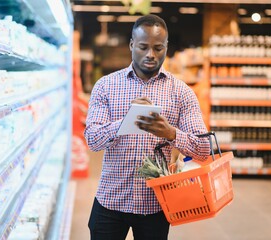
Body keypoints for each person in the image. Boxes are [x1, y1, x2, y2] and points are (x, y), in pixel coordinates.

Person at [84, 14, 210, 240]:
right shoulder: (105, 86)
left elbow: (203, 148)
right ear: (132, 45)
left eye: (158, 48)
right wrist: (126, 122)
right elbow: (93, 139)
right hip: (110, 200)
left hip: (156, 205)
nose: (151, 54)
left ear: (167, 47)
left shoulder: (182, 93)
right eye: (143, 47)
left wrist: (171, 133)